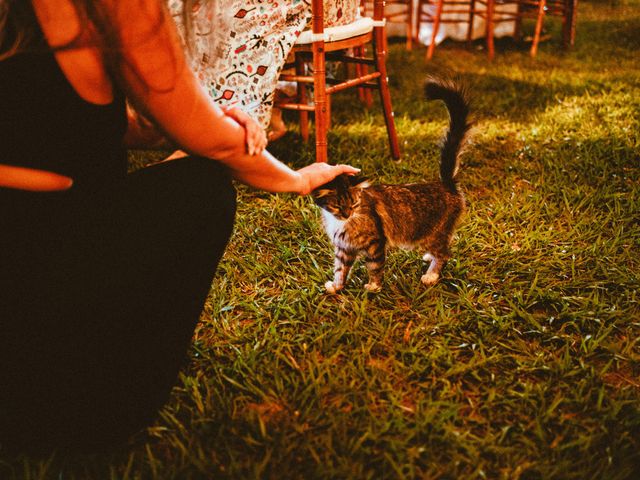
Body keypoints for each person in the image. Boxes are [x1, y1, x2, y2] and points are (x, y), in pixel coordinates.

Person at [0, 0, 358, 454]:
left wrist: (166, 124)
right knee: (201, 186)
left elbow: (42, 116)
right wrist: (298, 179)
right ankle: (98, 404)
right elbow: (215, 146)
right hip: (40, 291)